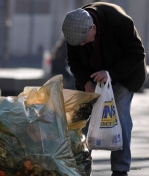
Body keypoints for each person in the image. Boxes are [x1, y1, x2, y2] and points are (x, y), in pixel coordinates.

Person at [61, 2, 147, 176]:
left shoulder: (119, 21)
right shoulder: (74, 32)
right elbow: (74, 61)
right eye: (79, 43)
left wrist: (111, 74)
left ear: (93, 28)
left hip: (123, 74)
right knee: (83, 119)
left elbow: (137, 53)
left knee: (120, 116)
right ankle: (81, 165)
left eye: (84, 40)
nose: (82, 45)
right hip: (93, 77)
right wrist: (86, 82)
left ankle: (120, 168)